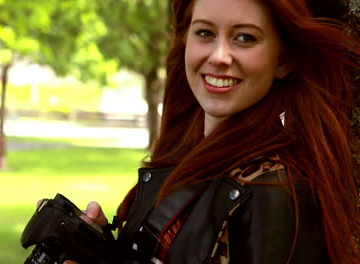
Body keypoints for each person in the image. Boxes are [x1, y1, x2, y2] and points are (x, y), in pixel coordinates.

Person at [60, 0, 360, 263]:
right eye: (205, 33)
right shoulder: (182, 158)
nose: (219, 56)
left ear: (283, 60)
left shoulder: (270, 189)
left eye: (245, 37)